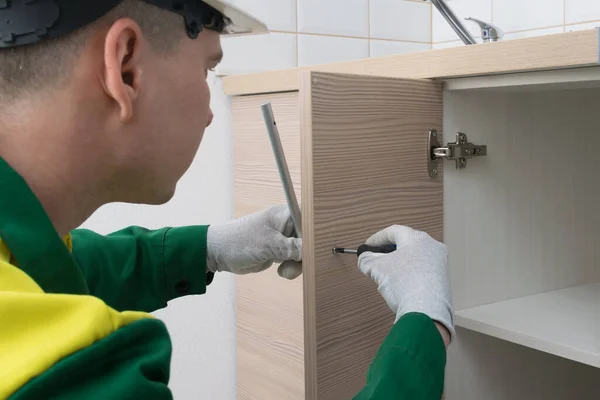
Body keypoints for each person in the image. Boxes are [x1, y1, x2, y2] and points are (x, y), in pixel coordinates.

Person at [0, 1, 454, 399]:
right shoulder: (57, 378)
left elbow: (61, 267)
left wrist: (211, 247)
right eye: (206, 70)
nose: (210, 111)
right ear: (126, 67)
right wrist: (424, 323)